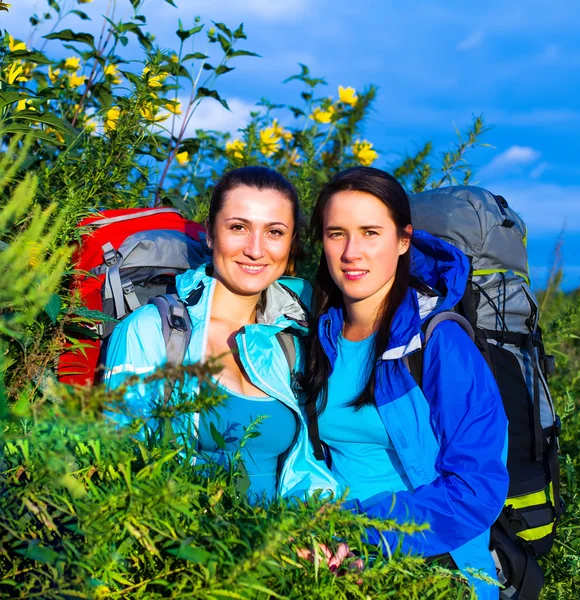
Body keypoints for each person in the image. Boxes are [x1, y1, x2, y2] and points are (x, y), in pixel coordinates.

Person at [302, 166, 509, 598]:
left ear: (403, 240)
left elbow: (477, 488)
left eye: (371, 232)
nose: (351, 252)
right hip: (333, 558)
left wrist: (364, 532)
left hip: (428, 563)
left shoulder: (439, 344)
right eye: (336, 233)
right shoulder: (317, 335)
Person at [104, 166, 339, 503]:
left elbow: (305, 468)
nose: (256, 250)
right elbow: (119, 466)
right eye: (238, 227)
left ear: (291, 244)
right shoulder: (154, 331)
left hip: (277, 549)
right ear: (211, 234)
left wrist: (317, 533)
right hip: (180, 545)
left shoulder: (292, 340)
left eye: (274, 232)